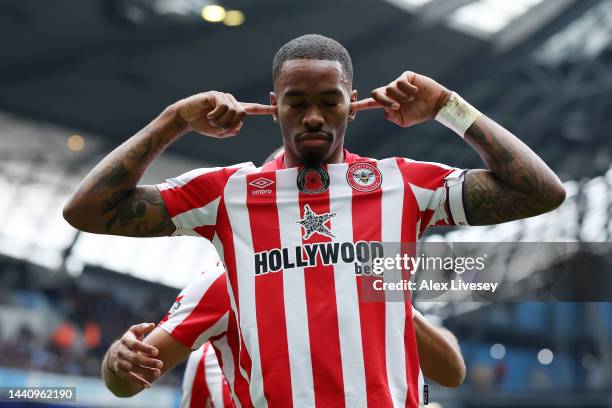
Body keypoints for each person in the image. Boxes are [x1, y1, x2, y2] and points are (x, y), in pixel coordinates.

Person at [66, 34, 564, 407]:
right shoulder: (228, 193)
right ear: (273, 104)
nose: (313, 117)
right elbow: (87, 210)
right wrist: (173, 119)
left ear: (352, 103)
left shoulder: (403, 186)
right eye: (297, 102)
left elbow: (540, 191)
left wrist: (446, 107)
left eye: (329, 101)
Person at [102, 257, 465, 406]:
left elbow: (452, 372)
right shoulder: (227, 281)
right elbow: (126, 381)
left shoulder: (366, 274)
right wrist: (117, 360)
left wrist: (388, 295)